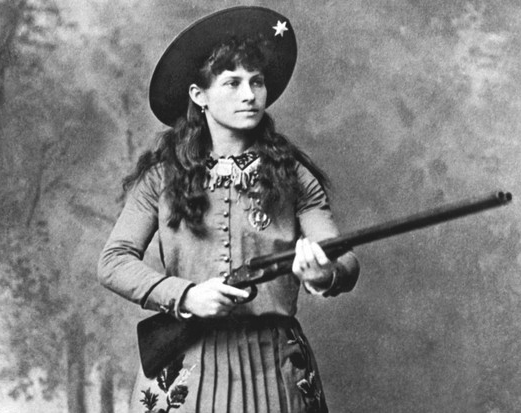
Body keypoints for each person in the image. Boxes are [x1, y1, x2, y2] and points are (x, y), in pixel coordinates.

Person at [98, 6, 360, 413]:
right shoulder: (160, 178)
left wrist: (325, 273)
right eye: (232, 82)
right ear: (198, 95)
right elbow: (113, 261)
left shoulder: (294, 177)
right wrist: (185, 295)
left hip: (275, 369)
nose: (249, 94)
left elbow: (341, 255)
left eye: (256, 82)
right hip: (185, 369)